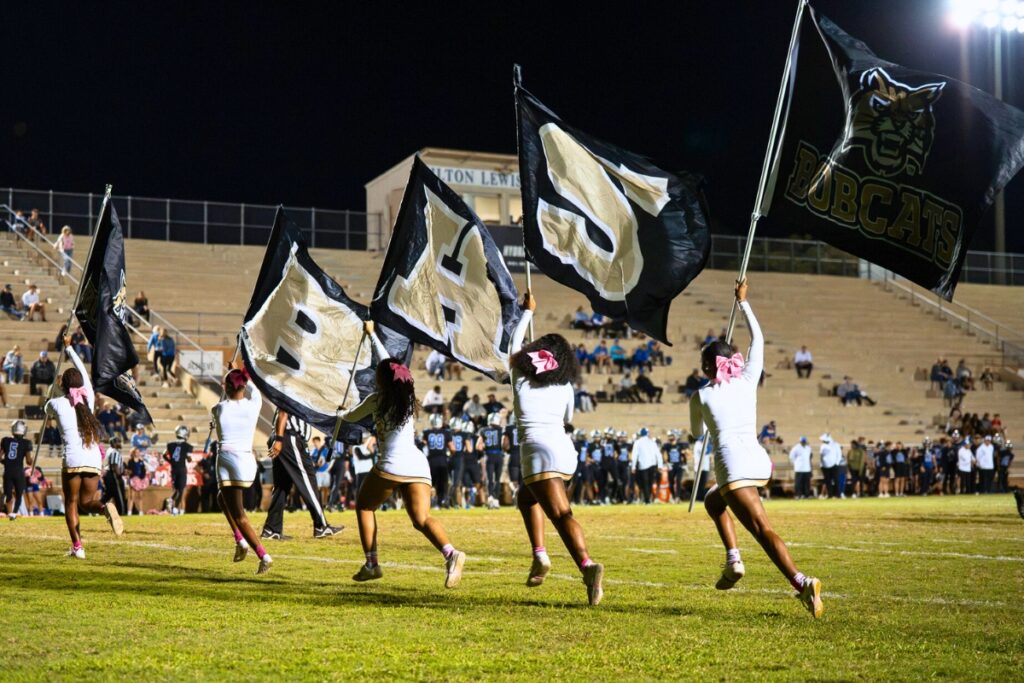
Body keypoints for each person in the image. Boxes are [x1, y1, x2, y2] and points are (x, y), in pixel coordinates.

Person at [690, 279, 822, 618]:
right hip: (758, 463)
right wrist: (744, 302)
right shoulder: (748, 379)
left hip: (733, 467)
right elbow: (759, 340)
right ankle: (733, 558)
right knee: (712, 501)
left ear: (707, 368)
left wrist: (705, 416)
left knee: (763, 531)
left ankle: (802, 582)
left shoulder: (702, 395)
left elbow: (694, 434)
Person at [338, 320, 466, 588]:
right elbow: (389, 364)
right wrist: (373, 334)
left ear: (383, 380)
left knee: (364, 506)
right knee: (421, 519)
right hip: (418, 464)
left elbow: (350, 416)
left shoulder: (376, 400)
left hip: (391, 465)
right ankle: (451, 553)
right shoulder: (408, 397)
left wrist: (340, 412)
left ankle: (372, 563)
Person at [509, 292, 604, 606]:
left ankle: (587, 566)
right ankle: (540, 556)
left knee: (562, 515)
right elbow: (568, 419)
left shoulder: (521, 376)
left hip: (538, 452)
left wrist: (526, 313)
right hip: (565, 452)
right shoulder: (565, 385)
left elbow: (513, 346)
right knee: (526, 498)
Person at [47, 338, 124, 557]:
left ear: (63, 386)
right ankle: (103, 507)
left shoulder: (57, 403)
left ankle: (78, 547)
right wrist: (70, 347)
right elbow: (82, 369)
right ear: (80, 384)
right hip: (92, 458)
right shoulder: (88, 397)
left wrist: (55, 389)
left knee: (71, 502)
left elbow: (46, 407)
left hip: (72, 459)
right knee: (87, 502)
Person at [211, 365, 273, 574]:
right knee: (223, 498)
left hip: (227, 459)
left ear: (227, 387)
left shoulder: (218, 409)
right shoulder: (254, 404)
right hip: (247, 460)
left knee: (240, 515)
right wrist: (240, 374)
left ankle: (263, 554)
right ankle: (240, 540)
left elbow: (223, 403)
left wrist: (232, 376)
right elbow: (254, 388)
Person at [262, 408, 342, 540]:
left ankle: (271, 529)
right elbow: (283, 412)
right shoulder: (290, 389)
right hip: (289, 437)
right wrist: (279, 439)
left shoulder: (295, 392)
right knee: (308, 480)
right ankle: (321, 526)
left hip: (283, 437)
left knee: (282, 485)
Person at [2, 420, 33, 520]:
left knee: (8, 494)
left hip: (8, 471)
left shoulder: (6, 440)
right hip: (19, 471)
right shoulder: (26, 443)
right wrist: (31, 460)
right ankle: (14, 514)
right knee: (19, 494)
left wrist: (6, 462)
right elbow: (29, 461)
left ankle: (10, 513)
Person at [423, 413, 453, 508]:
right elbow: (452, 448)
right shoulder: (446, 432)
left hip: (431, 460)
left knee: (431, 482)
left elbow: (423, 445)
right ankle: (440, 501)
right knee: (443, 482)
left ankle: (431, 501)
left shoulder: (427, 432)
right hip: (443, 459)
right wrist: (450, 455)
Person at [162, 425, 194, 515]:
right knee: (181, 490)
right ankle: (175, 509)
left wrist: (171, 461)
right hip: (182, 469)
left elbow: (164, 455)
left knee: (175, 490)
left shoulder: (170, 444)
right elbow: (188, 458)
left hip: (173, 469)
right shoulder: (188, 446)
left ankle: (171, 500)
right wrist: (189, 458)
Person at [478, 412, 505, 507]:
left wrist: (485, 447)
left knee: (489, 479)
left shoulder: (484, 430)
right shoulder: (501, 430)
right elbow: (504, 444)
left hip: (488, 456)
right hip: (498, 456)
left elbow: (478, 446)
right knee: (497, 479)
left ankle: (490, 497)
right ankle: (496, 499)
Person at [631, 428, 660, 504]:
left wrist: (633, 466)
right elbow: (658, 454)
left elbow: (634, 455)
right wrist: (660, 465)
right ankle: (648, 498)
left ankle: (647, 500)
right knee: (650, 483)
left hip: (643, 466)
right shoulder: (652, 442)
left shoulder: (637, 442)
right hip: (652, 465)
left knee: (645, 483)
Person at [101, 437, 127, 516]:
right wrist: (120, 473)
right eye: (119, 442)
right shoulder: (114, 452)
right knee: (119, 495)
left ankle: (96, 507)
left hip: (109, 475)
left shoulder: (110, 451)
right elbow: (114, 465)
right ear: (114, 443)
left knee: (108, 495)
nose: (120, 443)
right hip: (114, 475)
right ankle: (122, 512)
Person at [662, 432, 685, 503]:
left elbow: (686, 455)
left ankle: (677, 497)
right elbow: (664, 454)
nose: (670, 437)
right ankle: (674, 496)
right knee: (670, 483)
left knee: (678, 480)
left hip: (679, 466)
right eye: (669, 436)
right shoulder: (666, 445)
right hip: (671, 466)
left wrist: (685, 462)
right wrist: (667, 463)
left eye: (672, 436)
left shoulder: (680, 445)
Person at [310, 436, 331, 507]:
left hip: (325, 471)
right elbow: (311, 460)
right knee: (318, 488)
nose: (315, 444)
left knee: (325, 488)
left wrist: (323, 463)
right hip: (318, 472)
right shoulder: (313, 451)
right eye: (314, 442)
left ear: (319, 441)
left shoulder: (325, 450)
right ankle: (319, 503)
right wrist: (314, 464)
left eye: (316, 442)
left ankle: (325, 503)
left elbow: (328, 460)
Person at [126, 447, 148, 515]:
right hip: (133, 480)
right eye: (136, 452)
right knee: (132, 496)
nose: (138, 453)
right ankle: (129, 512)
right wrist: (132, 477)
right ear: (133, 453)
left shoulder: (141, 461)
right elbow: (129, 470)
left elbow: (144, 470)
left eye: (138, 452)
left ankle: (141, 511)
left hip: (141, 480)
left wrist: (142, 477)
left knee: (140, 496)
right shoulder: (130, 461)